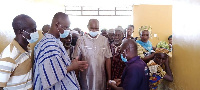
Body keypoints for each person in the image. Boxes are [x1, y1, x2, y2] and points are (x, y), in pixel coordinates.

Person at [33, 12, 88, 90]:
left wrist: (73, 64)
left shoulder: (56, 40)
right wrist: (73, 67)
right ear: (57, 25)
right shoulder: (48, 44)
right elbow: (51, 74)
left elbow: (57, 64)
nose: (67, 30)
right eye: (66, 27)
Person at [0, 14, 39, 90]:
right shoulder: (9, 56)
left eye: (36, 29)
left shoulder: (27, 48)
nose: (36, 32)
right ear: (21, 31)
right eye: (32, 30)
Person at [73, 19, 112, 90]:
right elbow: (76, 59)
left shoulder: (104, 40)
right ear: (88, 27)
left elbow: (108, 59)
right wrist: (76, 80)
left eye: (96, 28)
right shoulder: (81, 40)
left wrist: (109, 79)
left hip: (100, 78)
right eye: (92, 28)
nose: (94, 31)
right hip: (85, 78)